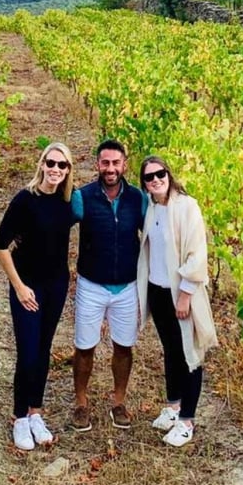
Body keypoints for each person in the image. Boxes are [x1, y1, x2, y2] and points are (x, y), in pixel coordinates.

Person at [0, 142, 76, 451]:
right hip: (28, 288)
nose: (56, 169)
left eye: (62, 165)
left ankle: (35, 413)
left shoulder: (70, 202)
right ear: (42, 164)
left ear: (68, 171)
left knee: (43, 351)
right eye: (51, 163)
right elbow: (1, 245)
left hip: (56, 287)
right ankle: (19, 418)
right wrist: (18, 286)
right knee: (27, 352)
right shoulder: (25, 200)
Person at [136, 155, 217, 448]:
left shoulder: (186, 207)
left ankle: (187, 420)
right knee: (171, 350)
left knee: (190, 354)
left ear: (168, 174)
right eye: (149, 177)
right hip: (158, 291)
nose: (156, 179)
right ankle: (173, 406)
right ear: (143, 183)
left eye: (160, 174)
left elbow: (197, 254)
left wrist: (185, 295)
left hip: (181, 292)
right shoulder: (152, 208)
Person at [69, 138, 146, 432]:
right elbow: (55, 223)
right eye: (105, 163)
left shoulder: (138, 199)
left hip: (126, 287)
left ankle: (118, 402)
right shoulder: (82, 197)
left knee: (123, 346)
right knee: (84, 346)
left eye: (116, 163)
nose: (110, 168)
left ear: (125, 164)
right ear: (97, 165)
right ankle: (80, 403)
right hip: (91, 284)